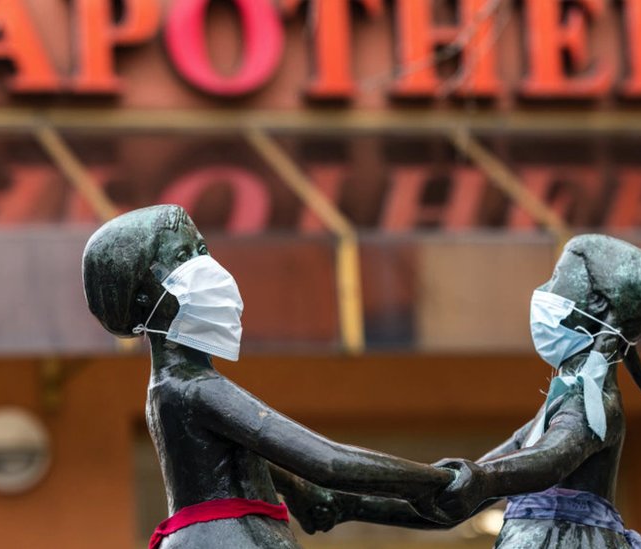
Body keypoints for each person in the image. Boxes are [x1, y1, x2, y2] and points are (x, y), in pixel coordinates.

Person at [82, 205, 453, 549]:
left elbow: (231, 458)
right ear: (144, 300)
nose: (204, 265)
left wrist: (299, 490)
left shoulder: (173, 387)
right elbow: (327, 462)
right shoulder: (196, 389)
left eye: (201, 249)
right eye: (181, 257)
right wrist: (438, 481)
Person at [294, 235, 641, 549]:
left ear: (598, 303)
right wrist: (348, 505)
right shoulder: (559, 405)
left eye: (555, 278)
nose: (543, 291)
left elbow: (550, 460)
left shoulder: (595, 405)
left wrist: (483, 479)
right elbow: (452, 503)